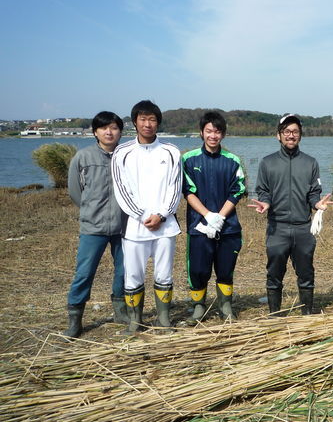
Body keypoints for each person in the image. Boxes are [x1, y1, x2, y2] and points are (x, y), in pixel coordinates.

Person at [248, 114, 332, 316]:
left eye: (295, 132)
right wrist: (265, 203)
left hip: (304, 227)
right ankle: (275, 315)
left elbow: (313, 193)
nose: (291, 135)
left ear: (300, 136)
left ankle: (307, 314)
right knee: (274, 273)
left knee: (306, 272)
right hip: (278, 227)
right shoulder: (267, 163)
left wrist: (317, 204)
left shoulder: (310, 163)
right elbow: (263, 191)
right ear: (278, 135)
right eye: (286, 132)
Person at [112, 100, 182, 333]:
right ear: (134, 122)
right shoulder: (122, 152)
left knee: (164, 273)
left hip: (165, 226)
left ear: (158, 123)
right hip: (134, 227)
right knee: (133, 275)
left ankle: (163, 319)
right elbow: (121, 189)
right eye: (143, 119)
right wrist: (142, 215)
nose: (147, 124)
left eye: (152, 119)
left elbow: (175, 187)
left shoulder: (171, 152)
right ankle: (135, 321)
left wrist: (162, 214)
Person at [64, 111, 127, 338]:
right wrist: (91, 210)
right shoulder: (83, 157)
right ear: (95, 132)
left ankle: (121, 312)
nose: (109, 132)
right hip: (93, 226)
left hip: (124, 226)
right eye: (103, 128)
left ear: (120, 131)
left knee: (124, 271)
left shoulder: (126, 156)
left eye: (114, 128)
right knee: (84, 272)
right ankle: (75, 318)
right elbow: (75, 192)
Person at [182, 111, 245, 322]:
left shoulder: (233, 160)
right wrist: (208, 215)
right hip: (199, 226)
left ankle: (225, 305)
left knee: (225, 267)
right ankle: (198, 306)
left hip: (228, 227)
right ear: (201, 132)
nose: (213, 136)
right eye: (209, 131)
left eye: (217, 132)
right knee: (198, 269)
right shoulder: (188, 160)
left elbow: (237, 191)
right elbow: (188, 191)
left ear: (223, 134)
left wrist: (220, 217)